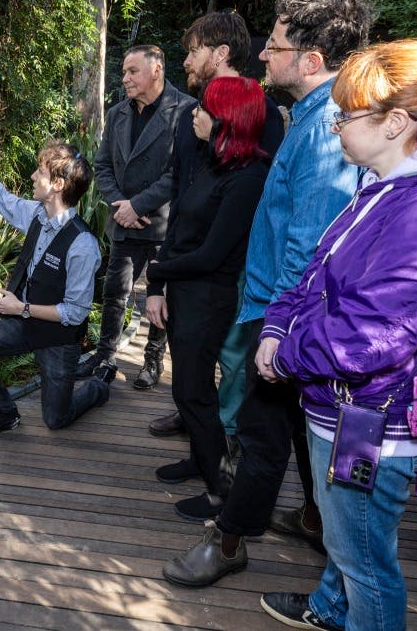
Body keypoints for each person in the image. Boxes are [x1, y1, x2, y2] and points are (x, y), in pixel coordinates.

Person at [259, 44, 417, 630]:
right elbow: (319, 270)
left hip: (372, 420)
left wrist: (284, 353)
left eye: (345, 116)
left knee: (363, 554)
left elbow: (373, 334)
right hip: (357, 409)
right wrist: (278, 323)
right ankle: (331, 607)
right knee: (350, 532)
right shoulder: (397, 187)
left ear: (395, 122)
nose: (336, 126)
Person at [162, 0, 373, 587]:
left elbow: (309, 245)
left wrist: (276, 329)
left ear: (310, 58)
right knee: (298, 427)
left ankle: (229, 542)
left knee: (260, 434)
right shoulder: (306, 116)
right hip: (282, 309)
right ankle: (311, 516)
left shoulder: (326, 132)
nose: (262, 52)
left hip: (286, 316)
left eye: (274, 45)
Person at [146, 11, 284, 441]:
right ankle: (195, 418)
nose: (185, 61)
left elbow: (265, 197)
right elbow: (182, 190)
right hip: (188, 261)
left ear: (220, 53)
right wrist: (162, 276)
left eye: (193, 50)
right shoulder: (192, 116)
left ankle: (225, 437)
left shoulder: (262, 115)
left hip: (233, 263)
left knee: (233, 355)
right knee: (193, 352)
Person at [143, 76, 270, 520]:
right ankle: (200, 460)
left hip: (209, 295)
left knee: (193, 392)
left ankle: (222, 490)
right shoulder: (209, 162)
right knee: (188, 389)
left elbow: (215, 254)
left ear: (226, 121)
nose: (194, 115)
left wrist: (157, 270)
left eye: (203, 110)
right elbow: (178, 228)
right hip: (183, 289)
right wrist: (158, 285)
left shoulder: (249, 177)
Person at [0, 134, 113, 443]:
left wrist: (22, 308)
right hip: (23, 323)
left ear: (58, 184)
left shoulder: (83, 246)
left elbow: (75, 313)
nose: (32, 176)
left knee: (56, 420)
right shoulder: (35, 214)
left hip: (58, 337)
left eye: (40, 172)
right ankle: (3, 413)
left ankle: (98, 386)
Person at [77, 45, 195, 390]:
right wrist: (120, 204)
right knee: (114, 292)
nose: (124, 78)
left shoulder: (185, 110)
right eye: (124, 72)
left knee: (161, 299)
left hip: (163, 225)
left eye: (132, 71)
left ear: (156, 70)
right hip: (124, 222)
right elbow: (101, 166)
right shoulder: (117, 114)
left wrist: (138, 206)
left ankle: (153, 360)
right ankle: (104, 356)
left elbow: (179, 172)